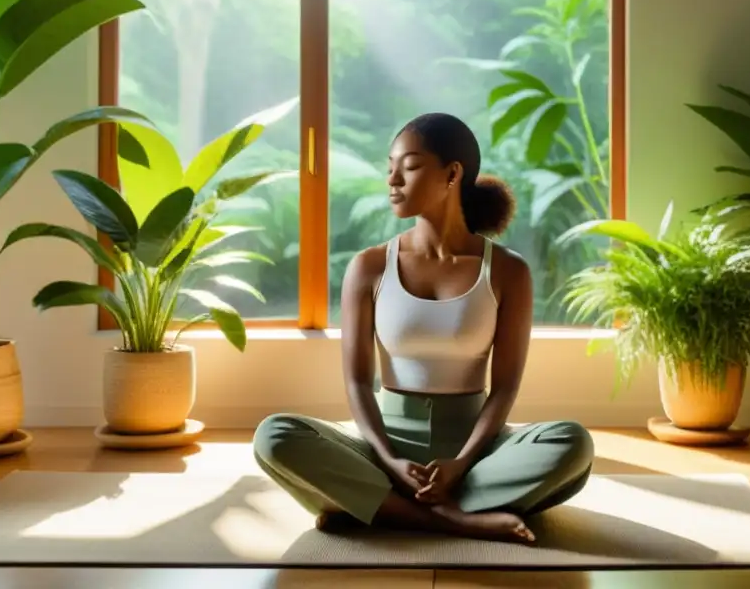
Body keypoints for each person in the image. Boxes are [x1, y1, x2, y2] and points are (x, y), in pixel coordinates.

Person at [252, 112, 595, 543]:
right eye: (390, 168)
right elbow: (358, 384)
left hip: (475, 450)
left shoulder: (508, 271)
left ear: (453, 174)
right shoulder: (370, 266)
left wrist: (461, 463)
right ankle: (453, 519)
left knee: (572, 444)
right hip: (383, 449)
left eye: (409, 167)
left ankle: (372, 506)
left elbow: (505, 387)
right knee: (275, 435)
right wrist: (389, 460)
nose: (392, 180)